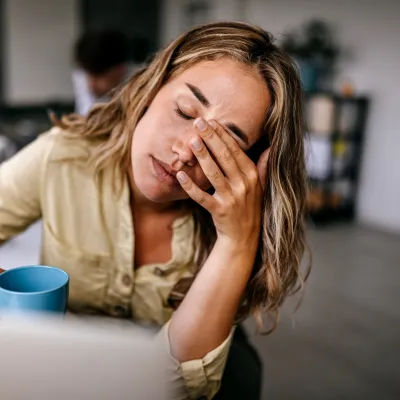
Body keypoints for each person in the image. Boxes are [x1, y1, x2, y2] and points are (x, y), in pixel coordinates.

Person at [0, 22, 310, 399]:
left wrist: (236, 242)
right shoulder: (62, 156)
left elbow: (179, 385)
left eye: (223, 144)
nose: (184, 151)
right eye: (184, 111)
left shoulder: (233, 224)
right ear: (151, 86)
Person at [72, 29, 130, 116]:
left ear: (120, 70)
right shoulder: (81, 75)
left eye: (98, 77)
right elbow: (86, 115)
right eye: (89, 75)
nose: (91, 85)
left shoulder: (137, 85)